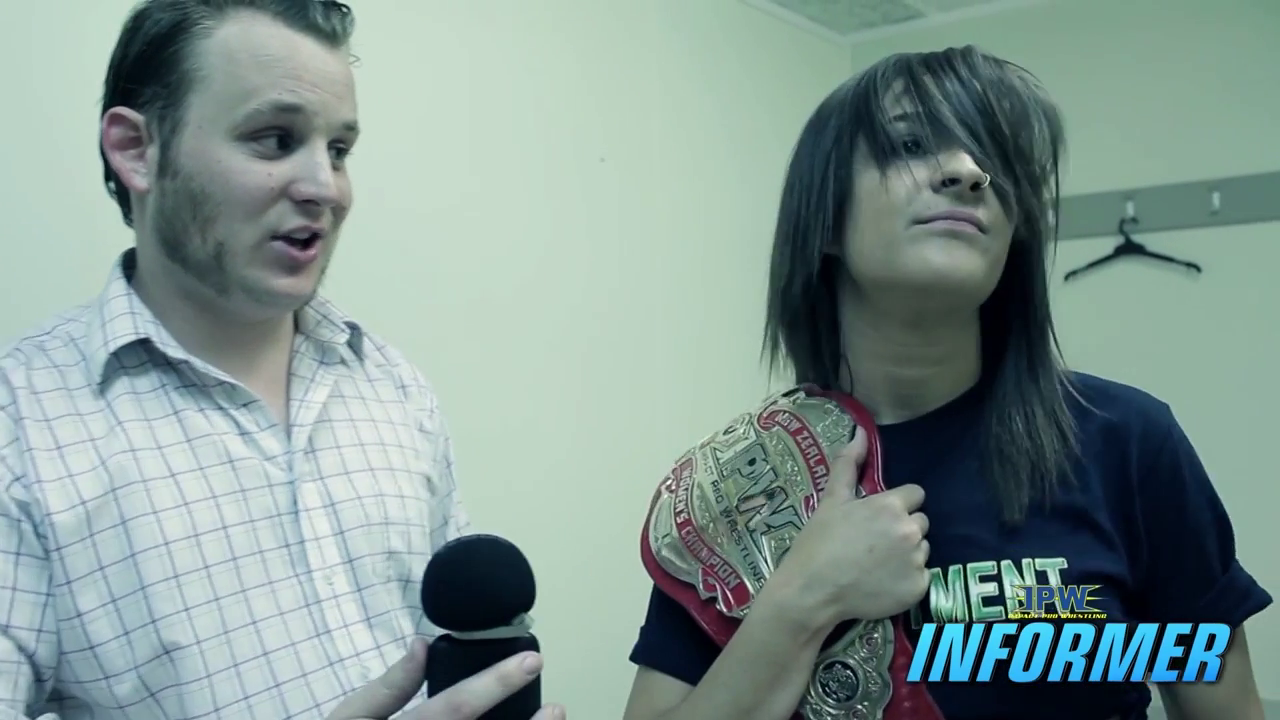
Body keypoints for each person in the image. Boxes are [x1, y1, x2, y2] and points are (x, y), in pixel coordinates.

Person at [622, 46, 1271, 720]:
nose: (969, 172)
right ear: (825, 217)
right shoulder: (740, 485)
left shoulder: (1127, 441)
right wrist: (804, 599)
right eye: (910, 145)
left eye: (995, 160)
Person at [0, 2, 563, 719]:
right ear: (137, 149)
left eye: (339, 149)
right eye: (275, 139)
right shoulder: (19, 432)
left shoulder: (392, 388)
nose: (326, 187)